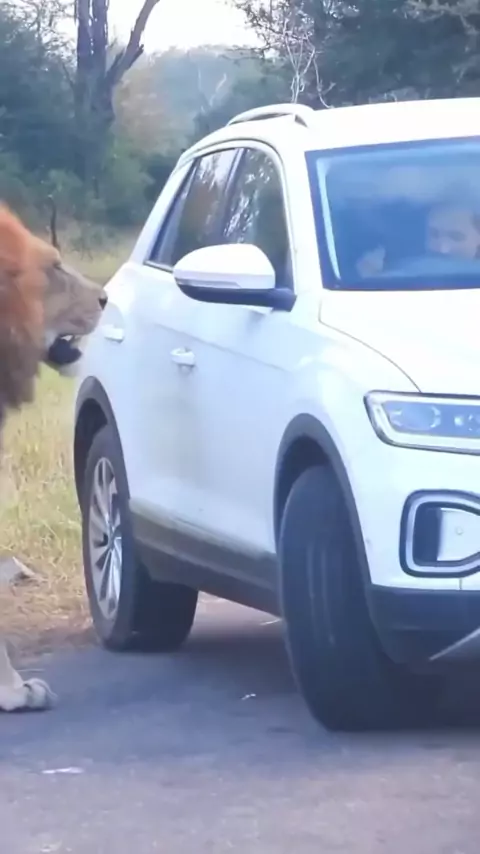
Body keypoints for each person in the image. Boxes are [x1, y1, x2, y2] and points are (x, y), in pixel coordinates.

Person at [356, 203, 480, 276]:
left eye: (456, 237)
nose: (442, 249)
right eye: (434, 234)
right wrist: (371, 278)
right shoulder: (398, 275)